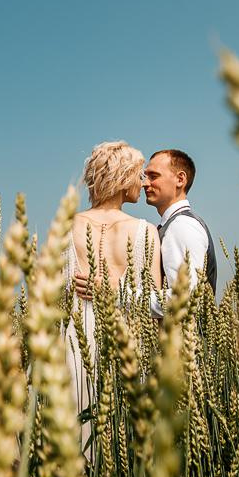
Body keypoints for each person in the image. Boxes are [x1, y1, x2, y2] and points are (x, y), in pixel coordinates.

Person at [64, 141, 162, 458]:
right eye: (138, 175)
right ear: (122, 179)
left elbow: (52, 293)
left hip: (77, 340)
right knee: (128, 438)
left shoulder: (66, 227)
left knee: (78, 438)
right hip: (129, 339)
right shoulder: (146, 232)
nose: (144, 183)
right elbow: (155, 303)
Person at [74, 148, 216, 315]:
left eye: (153, 176)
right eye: (144, 176)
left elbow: (186, 300)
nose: (145, 183)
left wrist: (117, 293)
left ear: (180, 179)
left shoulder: (182, 226)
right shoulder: (166, 227)